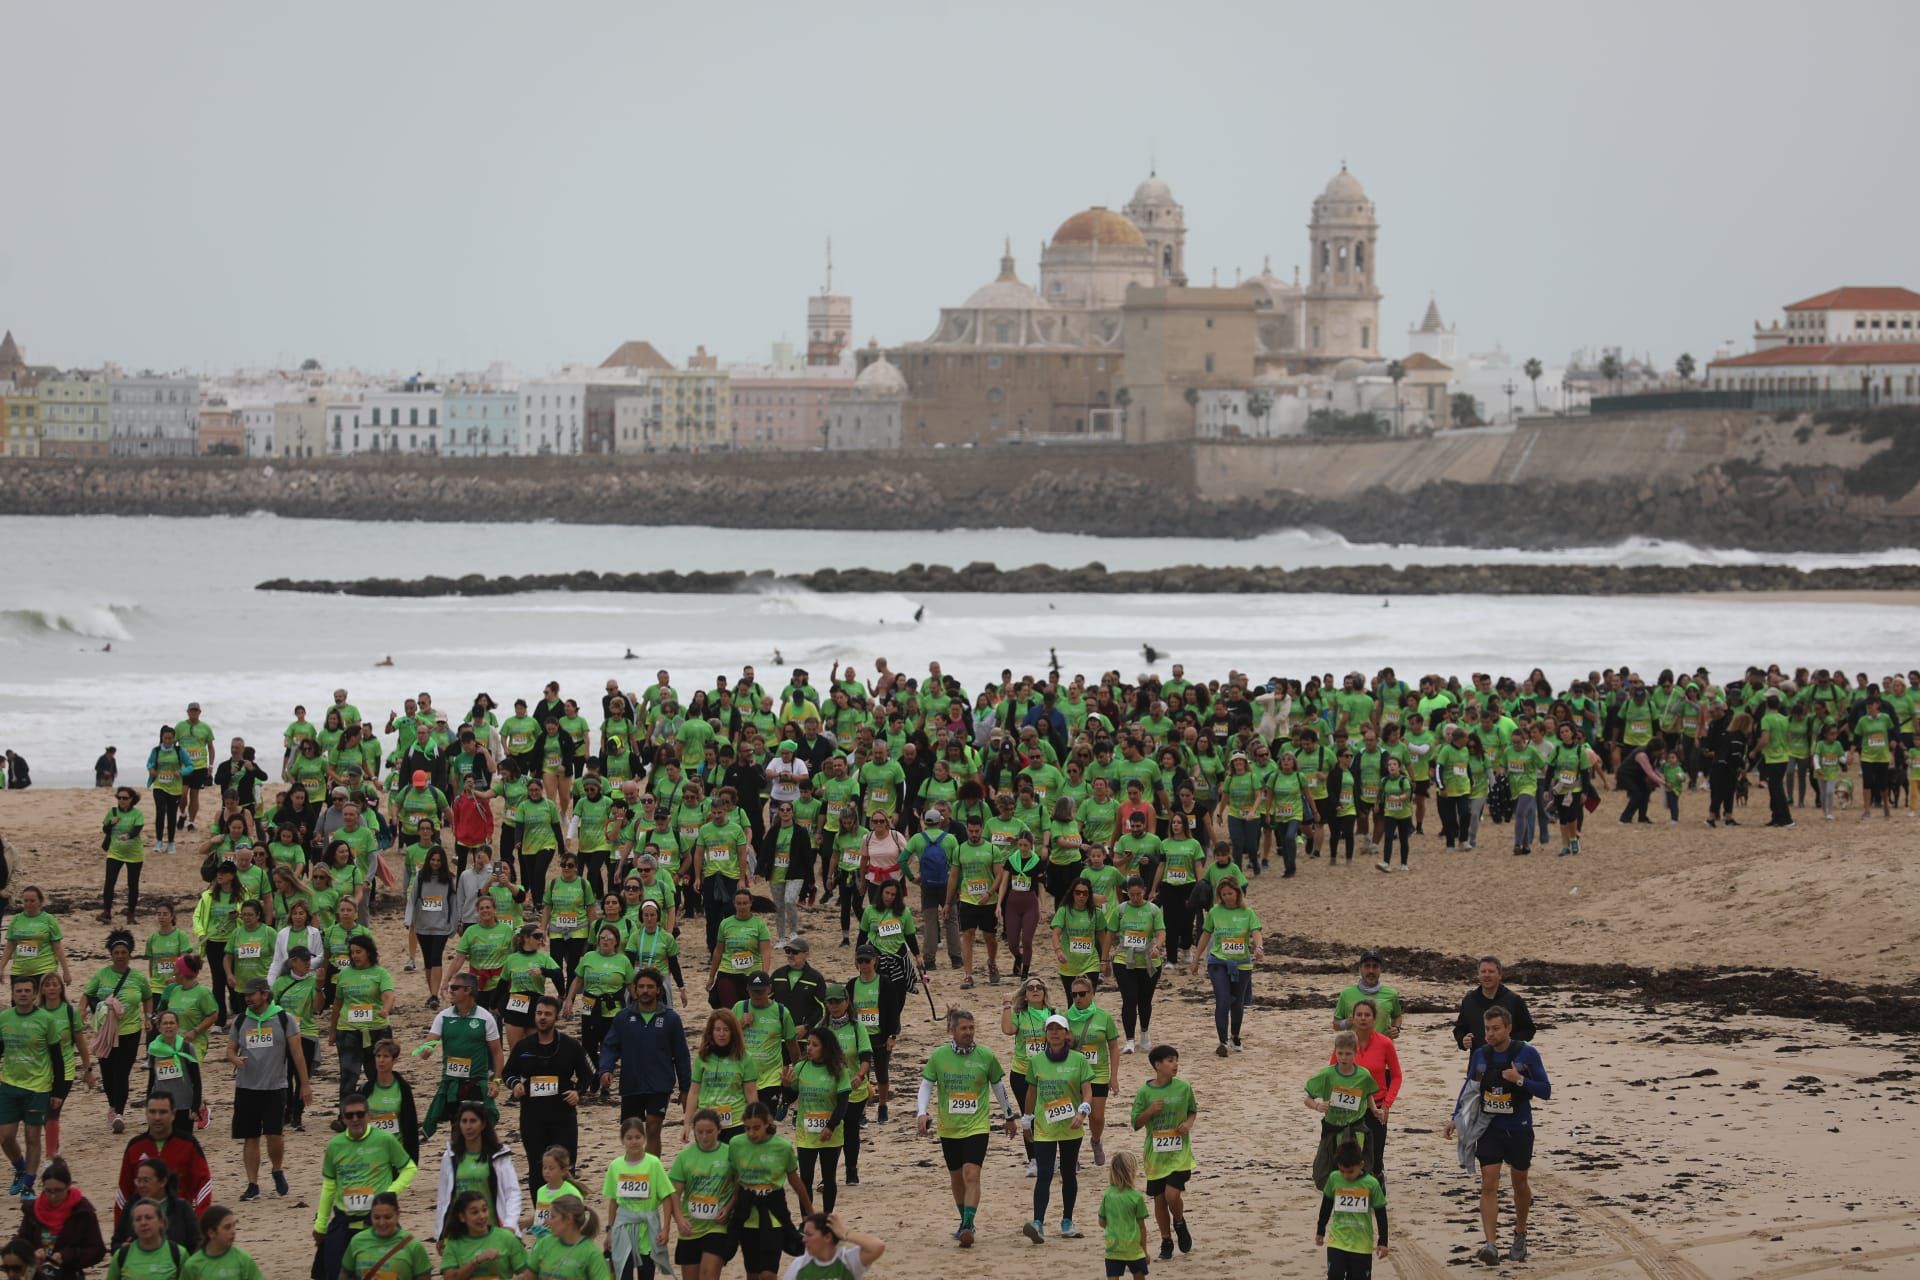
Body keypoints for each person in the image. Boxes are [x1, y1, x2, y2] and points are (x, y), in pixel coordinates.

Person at [1444, 1005, 1552, 1265]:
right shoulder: (1481, 1055)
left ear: (1508, 1029)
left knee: (1520, 1185)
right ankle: (1490, 1244)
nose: (1490, 1034)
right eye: (1487, 1029)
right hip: (1490, 1128)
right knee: (1489, 1182)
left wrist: (1519, 1079)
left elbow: (1546, 1091)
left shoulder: (1527, 1054)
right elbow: (1470, 1088)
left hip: (1519, 1128)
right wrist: (1455, 1117)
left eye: (1495, 1029)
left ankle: (1520, 1232)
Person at [917, 1006, 1019, 1249]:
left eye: (972, 1028)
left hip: (977, 1126)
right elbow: (926, 1085)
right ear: (952, 1030)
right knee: (956, 1178)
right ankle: (964, 1220)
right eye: (963, 1028)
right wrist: (921, 1112)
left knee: (971, 1174)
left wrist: (1009, 1116)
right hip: (949, 1128)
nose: (969, 1032)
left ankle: (967, 1225)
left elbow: (998, 1087)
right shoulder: (939, 1056)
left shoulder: (986, 1056)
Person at [312, 1098, 418, 1280]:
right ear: (343, 1118)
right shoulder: (334, 1146)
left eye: (360, 1114)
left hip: (378, 1219)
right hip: (344, 1221)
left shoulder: (384, 1139)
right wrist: (320, 1224)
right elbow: (329, 1186)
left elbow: (409, 1168)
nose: (355, 1119)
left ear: (368, 1116)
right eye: (349, 1115)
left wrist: (390, 1194)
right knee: (333, 1271)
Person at [225, 976, 310, 1201]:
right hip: (246, 1088)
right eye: (245, 996)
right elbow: (230, 1050)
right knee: (250, 1137)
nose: (248, 999)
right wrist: (234, 1059)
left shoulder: (284, 1019)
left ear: (264, 994)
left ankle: (277, 1169)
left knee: (274, 1135)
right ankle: (252, 1184)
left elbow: (297, 1054)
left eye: (252, 995)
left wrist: (305, 1084)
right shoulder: (241, 1020)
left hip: (275, 1086)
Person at [598, 968, 692, 1158]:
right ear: (634, 989)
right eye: (641, 986)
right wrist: (605, 1069)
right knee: (632, 1132)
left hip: (660, 1084)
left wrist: (685, 1088)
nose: (645, 990)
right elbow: (610, 1046)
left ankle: (651, 1172)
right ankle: (634, 1169)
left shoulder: (671, 1019)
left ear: (659, 990)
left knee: (653, 1127)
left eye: (650, 987)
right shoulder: (623, 1018)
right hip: (631, 1083)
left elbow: (681, 1055)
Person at [504, 995, 596, 1186]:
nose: (542, 1018)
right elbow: (507, 1073)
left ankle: (566, 1213)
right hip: (532, 1117)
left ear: (556, 1018)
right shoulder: (524, 1046)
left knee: (565, 1168)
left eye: (547, 1014)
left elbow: (588, 1074)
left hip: (562, 1117)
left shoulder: (571, 1046)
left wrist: (578, 1092)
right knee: (537, 1169)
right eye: (539, 1013)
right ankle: (541, 1212)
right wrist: (515, 1085)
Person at [1020, 1012, 1093, 1245]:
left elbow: (1088, 1091)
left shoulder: (1078, 1060)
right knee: (1044, 1174)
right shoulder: (1036, 1061)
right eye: (1050, 1029)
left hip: (1072, 1126)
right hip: (1045, 1127)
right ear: (1046, 1034)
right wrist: (1026, 1120)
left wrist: (1082, 1112)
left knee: (1069, 1173)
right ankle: (1038, 1223)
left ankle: (1067, 1221)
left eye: (1058, 1029)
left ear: (1066, 1033)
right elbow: (1031, 1092)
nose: (1054, 1032)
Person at [416, 972, 504, 1139]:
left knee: (481, 1132)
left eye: (455, 988)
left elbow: (497, 1052)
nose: (451, 991)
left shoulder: (485, 1017)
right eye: (450, 988)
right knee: (457, 1130)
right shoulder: (444, 1016)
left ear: (468, 990)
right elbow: (429, 1041)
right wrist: (426, 1049)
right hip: (452, 1085)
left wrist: (497, 1081)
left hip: (476, 1084)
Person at [1130, 1044, 1195, 1260]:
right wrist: (1149, 1111)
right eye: (1170, 1060)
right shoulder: (1145, 1091)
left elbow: (1192, 1111)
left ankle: (1179, 1222)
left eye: (1176, 1060)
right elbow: (1135, 1123)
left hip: (1179, 1153)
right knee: (1159, 1200)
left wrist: (1188, 1123)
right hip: (1155, 1156)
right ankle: (1166, 1239)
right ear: (1157, 1065)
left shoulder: (1184, 1088)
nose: (1175, 1064)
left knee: (1172, 1194)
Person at [0, 973, 62, 1198]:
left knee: (32, 1137)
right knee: (5, 1137)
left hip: (38, 1087)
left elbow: (57, 1058)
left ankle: (28, 1184)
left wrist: (58, 1091)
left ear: (35, 994)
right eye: (19, 991)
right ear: (14, 994)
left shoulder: (46, 1019)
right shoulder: (4, 1018)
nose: (23, 995)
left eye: (27, 991)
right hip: (8, 1085)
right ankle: (19, 1168)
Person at [84, 930, 150, 1134]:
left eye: (124, 952)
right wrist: (80, 1015)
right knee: (108, 1072)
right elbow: (87, 995)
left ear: (129, 954)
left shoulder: (138, 977)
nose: (120, 955)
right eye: (116, 952)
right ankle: (113, 1105)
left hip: (130, 1031)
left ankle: (119, 1113)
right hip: (105, 1032)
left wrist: (148, 1017)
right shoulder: (101, 974)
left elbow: (147, 997)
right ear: (111, 954)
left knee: (122, 1072)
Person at [1189, 879, 1263, 1056]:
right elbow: (1206, 935)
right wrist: (1196, 958)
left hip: (1242, 964)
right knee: (1223, 999)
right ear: (1220, 896)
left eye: (1230, 893)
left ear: (1238, 892)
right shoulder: (1215, 912)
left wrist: (1259, 947)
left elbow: (1256, 932)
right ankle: (1222, 1041)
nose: (1228, 897)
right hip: (1218, 962)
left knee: (1237, 1003)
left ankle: (1235, 1035)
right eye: (1224, 894)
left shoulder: (1248, 912)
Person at [430, 1101, 522, 1242]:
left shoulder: (498, 1155)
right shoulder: (451, 1156)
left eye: (473, 1121)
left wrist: (510, 1225)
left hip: (493, 1232)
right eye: (464, 1121)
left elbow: (512, 1192)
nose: (468, 1126)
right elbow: (444, 1198)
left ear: (483, 1124)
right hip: (460, 1234)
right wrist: (440, 1234)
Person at [114, 1095, 212, 1226]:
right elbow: (123, 1193)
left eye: (163, 1112)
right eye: (152, 1112)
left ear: (173, 1114)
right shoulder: (135, 1147)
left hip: (179, 1224)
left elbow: (204, 1184)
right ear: (146, 1114)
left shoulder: (188, 1144)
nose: (157, 1117)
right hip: (143, 1226)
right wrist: (120, 1233)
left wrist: (199, 1221)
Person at [785, 1027, 852, 1216]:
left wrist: (830, 1126)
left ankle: (828, 1218)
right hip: (806, 1132)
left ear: (826, 1047)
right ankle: (807, 1219)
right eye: (808, 1044)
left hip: (831, 1133)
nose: (809, 1049)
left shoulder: (839, 1071)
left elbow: (843, 1104)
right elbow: (791, 1098)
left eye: (815, 1045)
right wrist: (786, 1087)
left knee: (828, 1178)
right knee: (805, 1178)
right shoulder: (801, 1067)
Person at [1303, 1030, 1383, 1189]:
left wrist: (1374, 1110)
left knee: (1358, 1169)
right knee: (1322, 1175)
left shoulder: (1363, 1075)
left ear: (1356, 1052)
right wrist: (1318, 1106)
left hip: (1356, 1127)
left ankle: (1363, 1194)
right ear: (1335, 1052)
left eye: (1348, 1053)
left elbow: (1367, 1094)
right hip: (1332, 1128)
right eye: (1340, 1053)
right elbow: (1307, 1099)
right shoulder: (1327, 1074)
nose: (1343, 1058)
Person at [327, 934, 395, 1115]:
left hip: (377, 1030)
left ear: (369, 952)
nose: (355, 956)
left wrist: (386, 1009)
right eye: (352, 952)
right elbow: (338, 1004)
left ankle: (378, 1110)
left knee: (376, 1074)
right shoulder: (344, 974)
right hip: (348, 1030)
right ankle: (345, 1115)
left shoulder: (380, 973)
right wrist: (332, 1031)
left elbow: (388, 995)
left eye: (359, 952)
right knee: (349, 1074)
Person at [670, 1109, 739, 1280]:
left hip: (717, 1225)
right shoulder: (684, 1157)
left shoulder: (730, 1153)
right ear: (694, 1131)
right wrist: (679, 1219)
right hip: (690, 1226)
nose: (705, 1137)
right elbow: (674, 1193)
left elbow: (740, 1185)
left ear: (719, 1130)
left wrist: (729, 1208)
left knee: (709, 1276)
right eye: (700, 1132)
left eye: (709, 1132)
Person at [602, 1116, 673, 1280]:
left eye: (637, 1137)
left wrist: (666, 1228)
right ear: (622, 1140)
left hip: (648, 1230)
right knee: (623, 1275)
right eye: (629, 1138)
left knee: (647, 1274)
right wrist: (610, 1231)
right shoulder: (615, 1166)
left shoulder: (653, 1163)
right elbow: (613, 1202)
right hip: (623, 1228)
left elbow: (667, 1197)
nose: (634, 1142)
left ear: (644, 1138)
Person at [1341, 999, 1402, 1184]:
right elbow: (1332, 1073)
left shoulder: (1385, 1043)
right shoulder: (1345, 1043)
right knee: (1350, 1155)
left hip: (1376, 1106)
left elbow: (1397, 1076)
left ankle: (1377, 1180)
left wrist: (1387, 1105)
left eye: (1367, 1015)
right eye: (1359, 1015)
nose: (1363, 1019)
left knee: (1375, 1156)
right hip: (1349, 1106)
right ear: (1352, 1019)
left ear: (1374, 1019)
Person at [13, 1158, 105, 1280]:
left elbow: (97, 1250)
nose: (52, 1196)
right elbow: (21, 1241)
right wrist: (32, 1253)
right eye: (48, 1191)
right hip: (35, 1273)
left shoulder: (82, 1211)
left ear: (68, 1187)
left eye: (58, 1191)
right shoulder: (33, 1209)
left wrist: (67, 1256)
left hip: (68, 1274)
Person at [1315, 1139, 1389, 1279]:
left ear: (1361, 1165)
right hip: (1337, 1241)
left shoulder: (1372, 1184)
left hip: (1362, 1245)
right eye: (1342, 1171)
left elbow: (1380, 1213)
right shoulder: (1334, 1178)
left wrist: (1383, 1241)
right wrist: (1320, 1230)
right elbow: (1326, 1205)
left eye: (1350, 1171)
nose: (1346, 1176)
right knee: (1334, 1276)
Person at [1065, 975, 1120, 1164]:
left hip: (1098, 1074)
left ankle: (1096, 1141)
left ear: (1091, 994)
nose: (1078, 998)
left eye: (1082, 994)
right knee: (1074, 1116)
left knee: (1096, 1116)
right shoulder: (1065, 1018)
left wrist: (1114, 1077)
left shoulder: (1103, 1017)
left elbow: (1113, 1047)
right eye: (1074, 995)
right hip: (1074, 1074)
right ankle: (1073, 1154)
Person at [686, 1010, 757, 1141]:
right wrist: (687, 1124)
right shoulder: (702, 1057)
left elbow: (751, 1094)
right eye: (717, 1029)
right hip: (706, 1123)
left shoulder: (745, 1058)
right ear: (711, 1032)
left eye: (726, 1030)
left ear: (733, 1032)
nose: (721, 1034)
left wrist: (755, 1123)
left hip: (736, 1122)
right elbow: (694, 1092)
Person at [108, 1157, 197, 1252]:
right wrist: (123, 1248)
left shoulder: (181, 1207)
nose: (141, 1185)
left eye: (146, 1181)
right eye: (139, 1181)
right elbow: (115, 1244)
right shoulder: (131, 1206)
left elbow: (196, 1243)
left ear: (163, 1182)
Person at [435, 1189, 527, 1280]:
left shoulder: (507, 1238)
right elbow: (450, 1278)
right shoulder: (453, 1243)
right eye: (475, 1212)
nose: (482, 1216)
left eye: (484, 1210)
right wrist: (476, 1261)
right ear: (462, 1217)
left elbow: (528, 1274)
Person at [338, 1193, 431, 1280]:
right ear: (371, 1217)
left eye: (387, 1217)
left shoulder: (413, 1245)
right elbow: (345, 1274)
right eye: (377, 1218)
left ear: (397, 1215)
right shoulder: (357, 1241)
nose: (382, 1223)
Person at [1451, 957, 1536, 1052]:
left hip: (1509, 1060)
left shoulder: (1514, 1000)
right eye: (1483, 971)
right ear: (1478, 975)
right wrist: (1463, 1040)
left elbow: (1529, 1031)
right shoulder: (1469, 1000)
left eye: (1491, 971)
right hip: (1479, 1060)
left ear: (1500, 975)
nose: (1487, 975)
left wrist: (1509, 1043)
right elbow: (1459, 1029)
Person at [361, 1040, 421, 1167]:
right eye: (378, 1056)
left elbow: (410, 1125)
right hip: (370, 1154)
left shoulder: (403, 1089)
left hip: (395, 1154)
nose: (381, 1060)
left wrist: (411, 1159)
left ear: (394, 1061)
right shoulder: (365, 1089)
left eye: (386, 1056)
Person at [527, 1193, 610, 1280]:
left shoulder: (591, 1253)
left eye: (553, 1217)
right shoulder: (545, 1243)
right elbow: (529, 1275)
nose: (547, 1221)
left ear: (568, 1219)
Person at [782, 1212, 884, 1280]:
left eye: (809, 1235)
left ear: (827, 1237)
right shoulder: (799, 1266)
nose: (804, 1240)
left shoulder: (847, 1261)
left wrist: (845, 1233)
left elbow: (877, 1246)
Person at [104, 1198, 185, 1280]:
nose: (143, 1223)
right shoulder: (121, 1255)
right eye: (138, 1219)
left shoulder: (178, 1254)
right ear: (133, 1225)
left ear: (161, 1221)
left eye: (148, 1218)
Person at [100, 788, 148, 925]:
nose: (121, 800)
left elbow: (137, 830)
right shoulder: (113, 812)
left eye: (125, 798)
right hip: (115, 853)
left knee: (132, 885)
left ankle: (131, 915)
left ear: (132, 799)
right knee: (109, 882)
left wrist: (127, 836)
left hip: (134, 854)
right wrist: (110, 824)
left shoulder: (137, 814)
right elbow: (105, 829)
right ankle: (107, 912)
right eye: (119, 798)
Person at [1099, 1152, 1151, 1280]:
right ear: (1131, 1172)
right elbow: (1142, 1228)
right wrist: (1144, 1250)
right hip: (1133, 1248)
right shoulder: (1136, 1197)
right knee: (1139, 1276)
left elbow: (1101, 1222)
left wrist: (1114, 1226)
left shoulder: (1107, 1195)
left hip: (1113, 1247)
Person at [179, 1205, 266, 1280]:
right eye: (227, 1227)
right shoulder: (192, 1265)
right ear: (211, 1233)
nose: (233, 1231)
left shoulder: (243, 1259)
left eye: (234, 1225)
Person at [1332, 952, 1403, 1039]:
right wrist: (1348, 1022)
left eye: (1375, 966)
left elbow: (1397, 1016)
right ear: (1360, 969)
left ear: (1380, 969)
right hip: (1356, 1049)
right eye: (1367, 966)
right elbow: (1336, 1025)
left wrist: (1396, 1028)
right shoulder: (1346, 994)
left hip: (1382, 1048)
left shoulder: (1391, 994)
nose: (1371, 971)